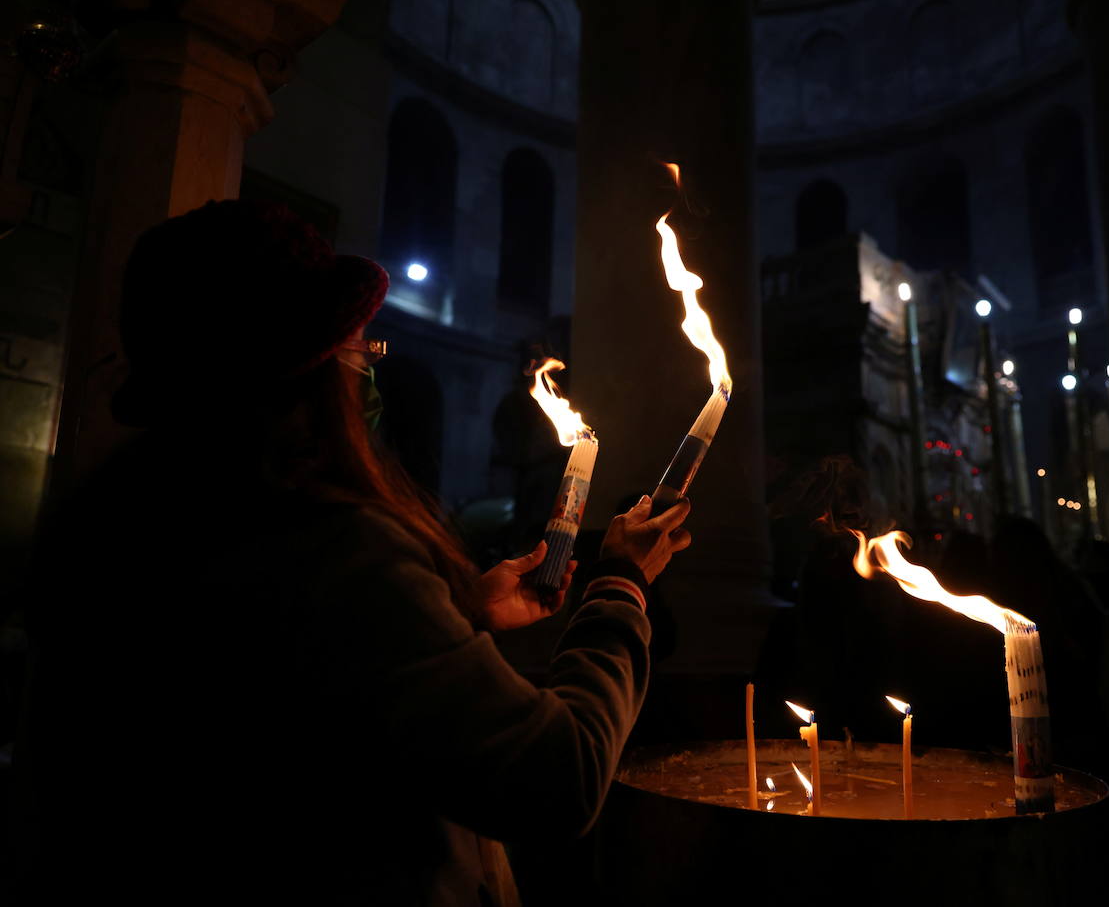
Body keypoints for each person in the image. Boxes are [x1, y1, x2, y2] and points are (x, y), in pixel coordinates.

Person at [12, 201, 691, 906]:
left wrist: (459, 617)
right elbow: (561, 779)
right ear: (301, 374)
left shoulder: (125, 519)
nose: (370, 371)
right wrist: (621, 587)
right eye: (362, 351)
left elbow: (323, 698)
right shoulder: (328, 548)